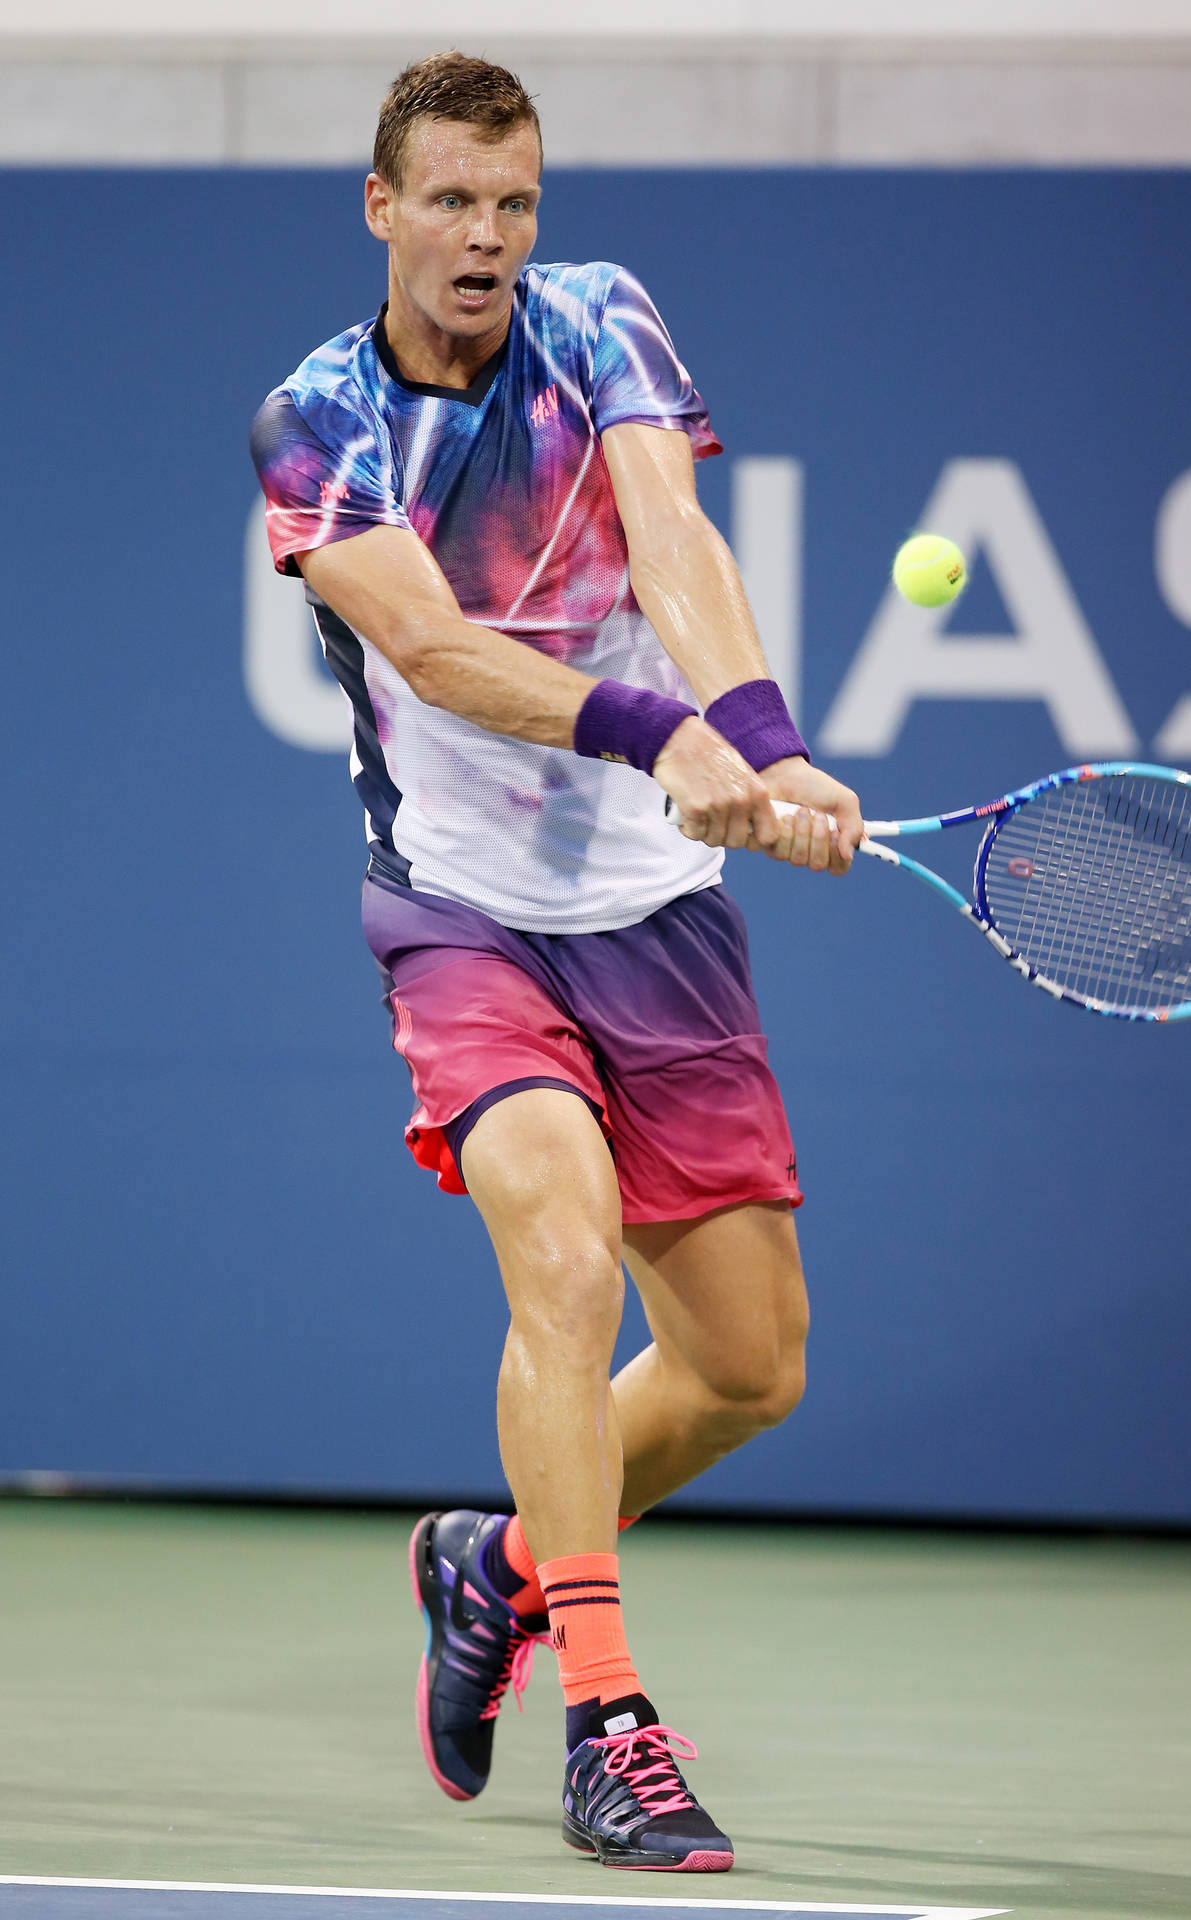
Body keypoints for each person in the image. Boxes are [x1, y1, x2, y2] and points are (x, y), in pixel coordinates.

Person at [251, 51, 862, 1874]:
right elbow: (435, 654)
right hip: (460, 915)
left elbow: (671, 532)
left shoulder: (598, 320)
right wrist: (650, 733)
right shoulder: (319, 417)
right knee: (563, 1259)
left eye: (513, 203)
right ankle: (609, 1718)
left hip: (654, 918)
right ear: (382, 207)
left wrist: (754, 733)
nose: (487, 238)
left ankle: (491, 1560)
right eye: (449, 200)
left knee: (751, 1369)